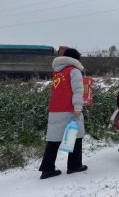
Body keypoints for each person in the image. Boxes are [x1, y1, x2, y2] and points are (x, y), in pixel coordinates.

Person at [39, 48, 87, 179]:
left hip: (55, 109)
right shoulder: (74, 71)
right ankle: (74, 165)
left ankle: (47, 169)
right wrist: (78, 108)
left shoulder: (58, 72)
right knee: (75, 135)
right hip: (69, 109)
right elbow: (77, 91)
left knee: (54, 139)